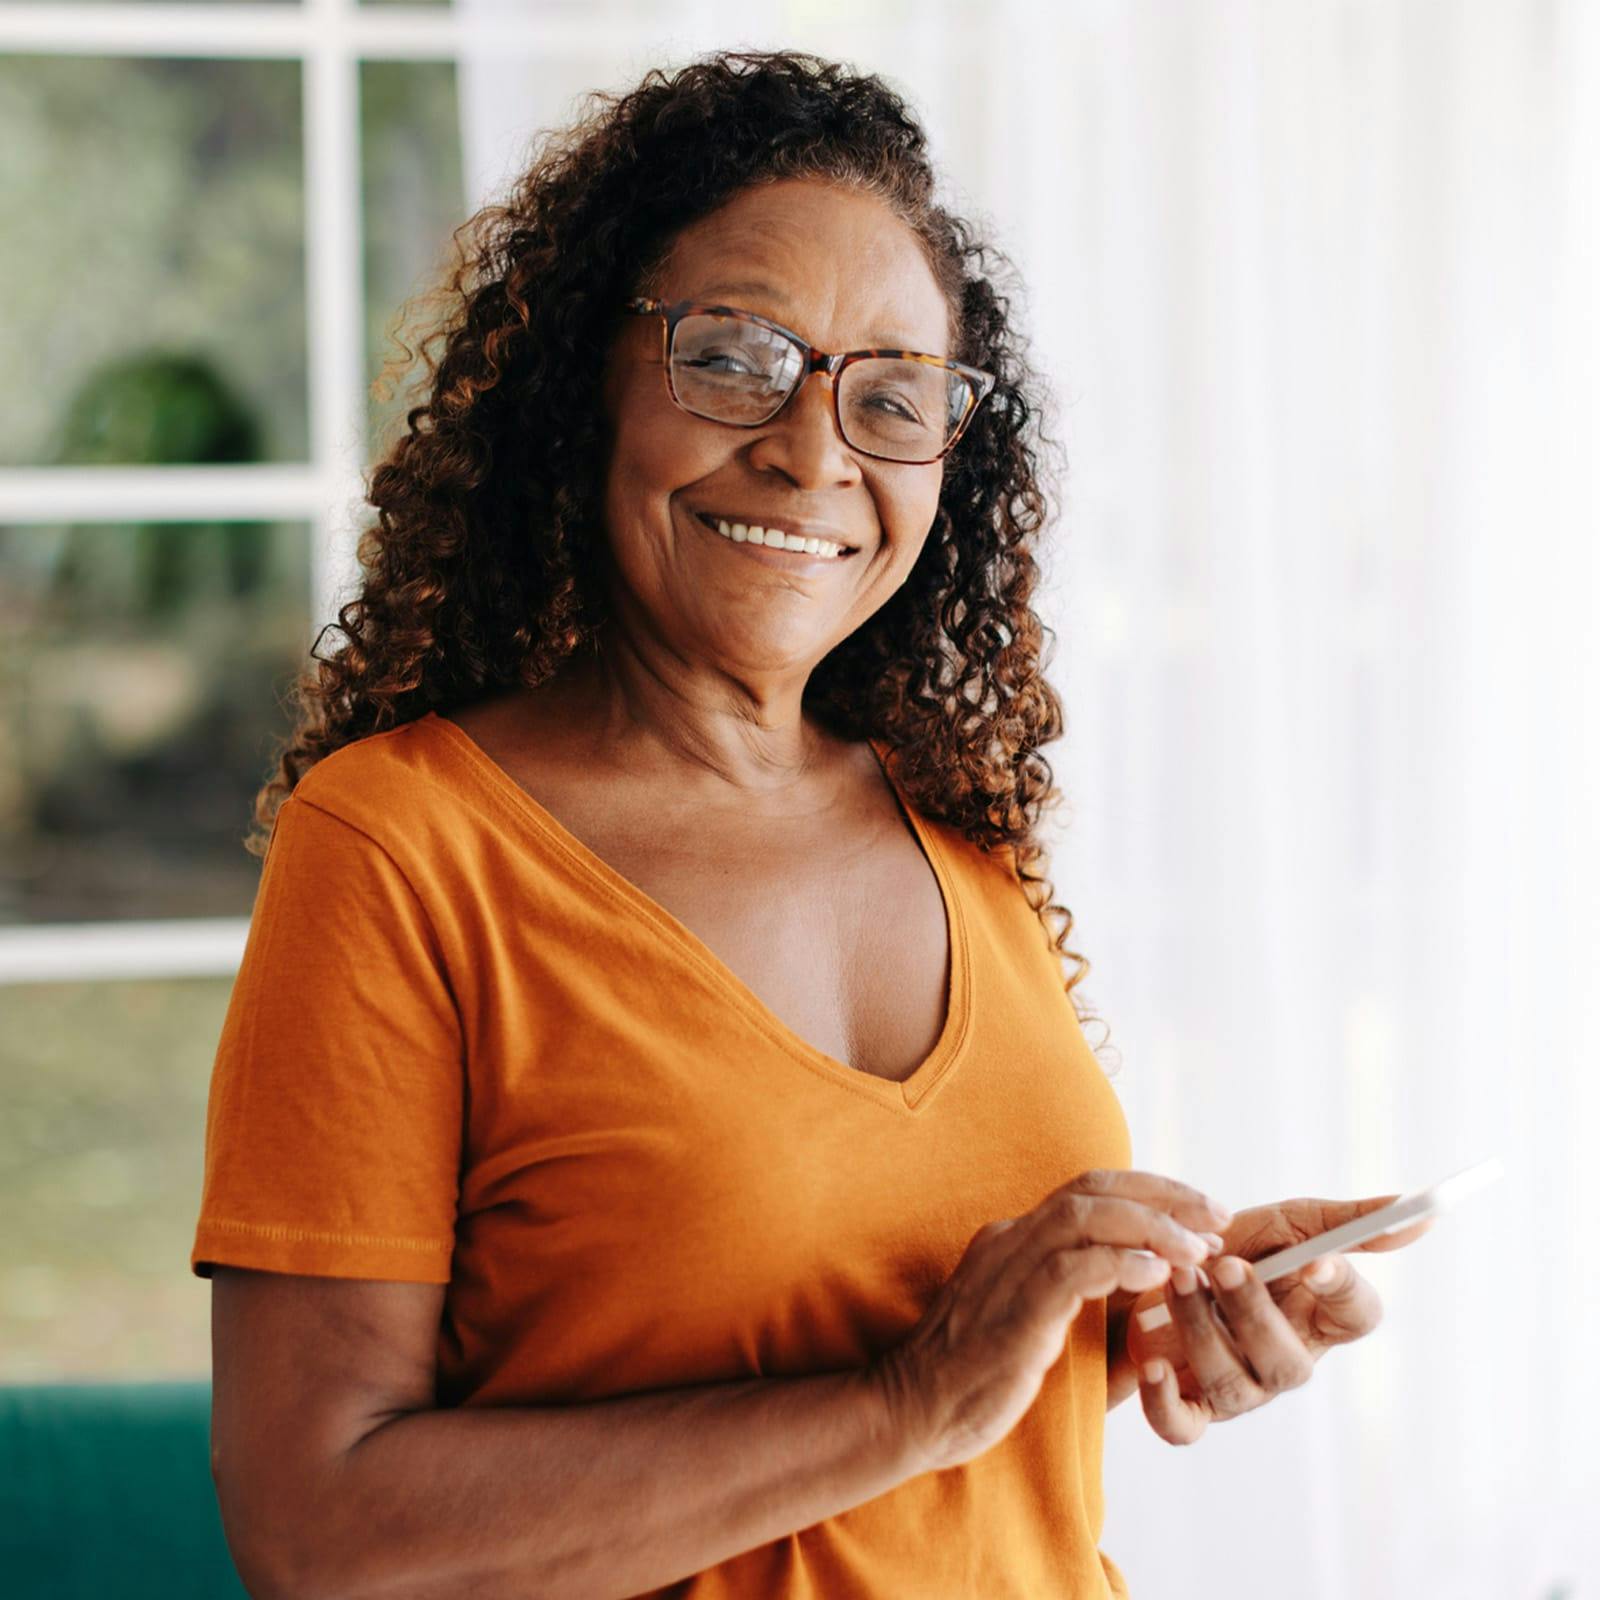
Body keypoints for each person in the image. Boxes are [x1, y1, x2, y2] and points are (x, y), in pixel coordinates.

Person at [190, 49, 1429, 1599]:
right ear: (589, 375)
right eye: (735, 358)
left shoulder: (956, 827)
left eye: (893, 396)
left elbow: (874, 1372)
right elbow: (321, 1535)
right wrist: (910, 1403)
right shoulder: (398, 849)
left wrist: (1125, 1331)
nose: (811, 451)